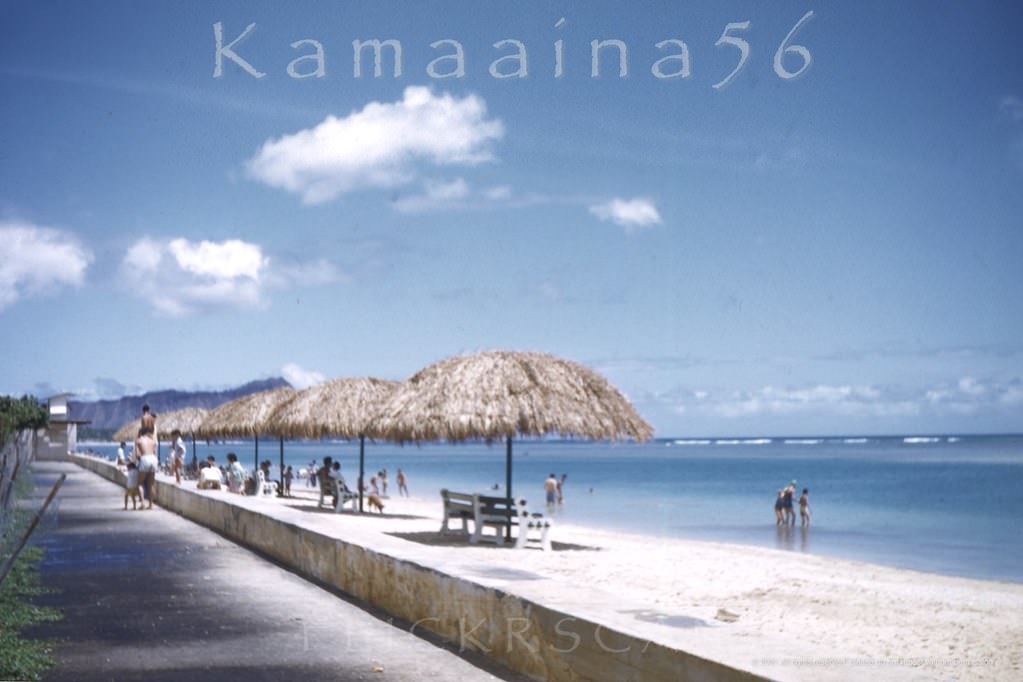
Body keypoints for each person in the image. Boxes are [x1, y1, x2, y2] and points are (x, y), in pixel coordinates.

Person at [135, 427, 159, 510]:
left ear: (140, 433)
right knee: (151, 483)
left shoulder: (138, 440)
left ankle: (142, 504)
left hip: (145, 458)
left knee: (140, 483)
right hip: (153, 459)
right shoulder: (152, 441)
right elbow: (155, 453)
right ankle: (151, 505)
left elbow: (137, 454)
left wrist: (139, 463)